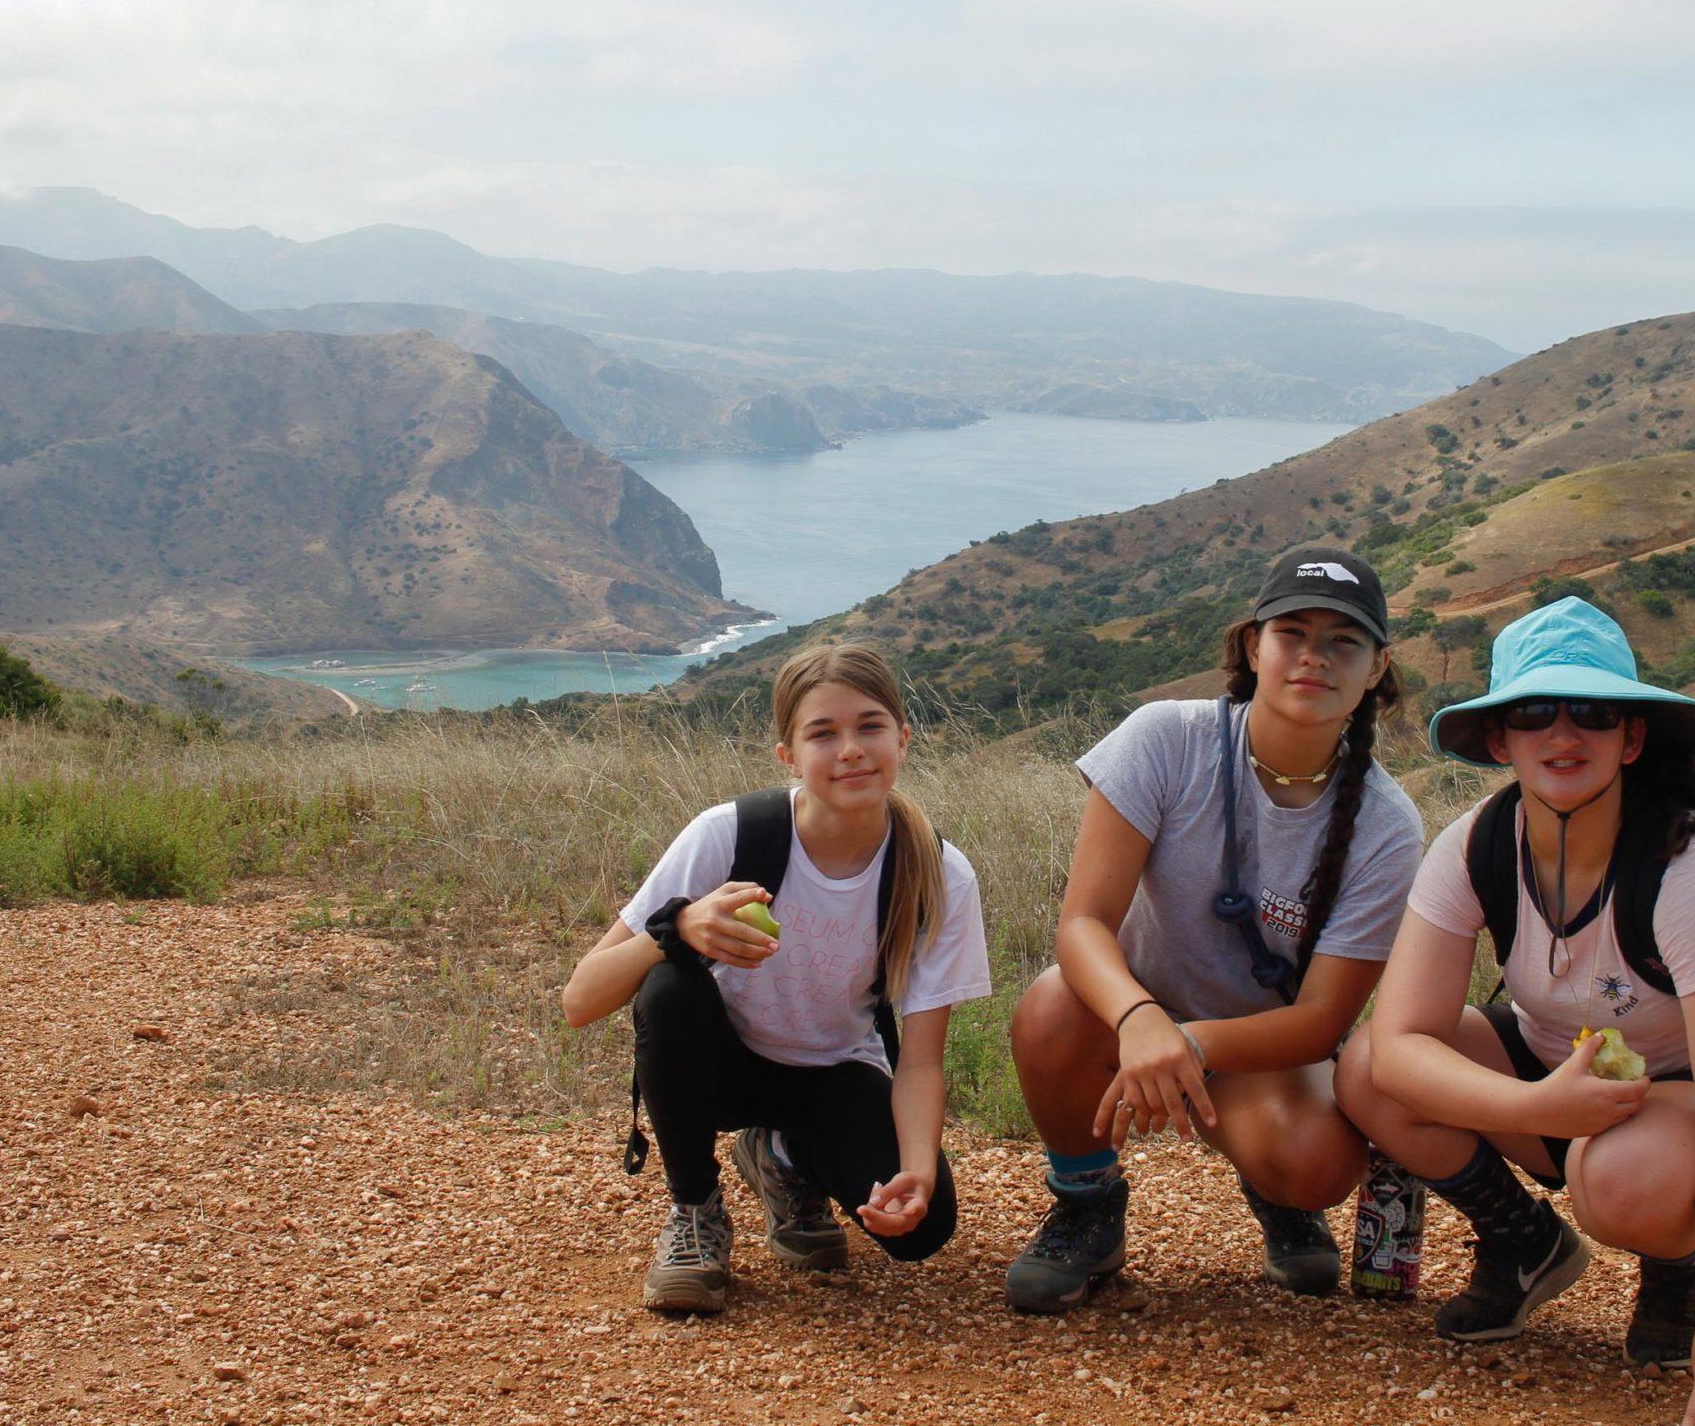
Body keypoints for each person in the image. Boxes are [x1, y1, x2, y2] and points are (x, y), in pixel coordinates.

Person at [1333, 597, 1695, 1426]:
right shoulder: (1479, 843)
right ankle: (1526, 1243)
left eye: (1593, 712)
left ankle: (1679, 1270)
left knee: (1616, 1179)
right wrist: (1536, 1106)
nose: (1563, 734)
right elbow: (1403, 1039)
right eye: (1533, 713)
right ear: (1499, 741)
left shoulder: (1689, 870)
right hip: (1559, 1083)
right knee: (1367, 1065)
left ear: (1631, 739)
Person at [1003, 546, 1426, 1313]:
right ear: (1252, 646)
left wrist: (1189, 1045)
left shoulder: (1387, 827)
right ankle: (1088, 1204)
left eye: (1344, 642)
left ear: (1376, 668)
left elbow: (1321, 1020)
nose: (1313, 657)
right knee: (1048, 1009)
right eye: (1292, 632)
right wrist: (1140, 1019)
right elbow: (1084, 926)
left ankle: (1278, 1196)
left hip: (1257, 1051)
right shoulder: (1167, 739)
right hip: (1126, 1013)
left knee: (1315, 1164)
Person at [561, 643, 991, 1313]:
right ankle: (696, 1211)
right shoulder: (730, 835)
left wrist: (919, 1170)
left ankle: (782, 1158)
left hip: (833, 1075)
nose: (850, 749)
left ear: (903, 738)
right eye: (823, 733)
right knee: (669, 989)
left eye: (870, 726)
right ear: (788, 756)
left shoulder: (936, 871)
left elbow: (922, 1061)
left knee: (923, 1234)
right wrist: (675, 929)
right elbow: (581, 1000)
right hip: (721, 1068)